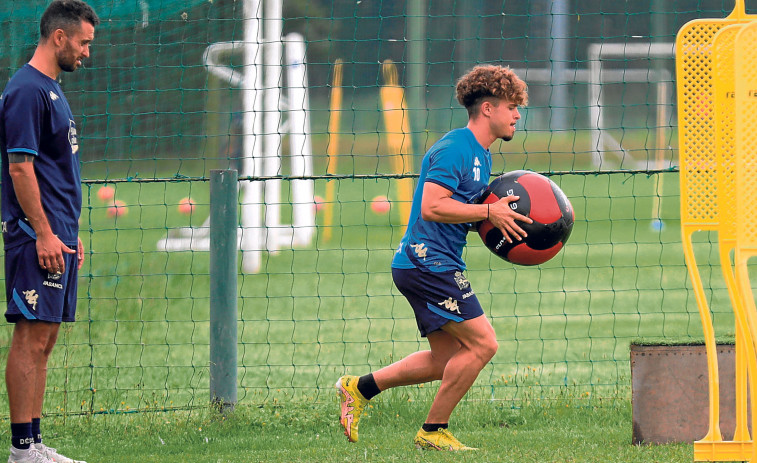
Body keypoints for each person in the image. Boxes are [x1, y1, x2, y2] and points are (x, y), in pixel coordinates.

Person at [336, 65, 530, 451]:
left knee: (447, 358)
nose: (518, 115)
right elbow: (431, 206)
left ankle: (359, 388)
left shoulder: (481, 155)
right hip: (428, 263)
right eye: (512, 106)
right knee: (483, 345)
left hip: (434, 263)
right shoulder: (455, 148)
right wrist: (489, 213)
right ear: (488, 108)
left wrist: (496, 222)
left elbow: (461, 211)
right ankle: (432, 430)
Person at [0, 1, 99, 462]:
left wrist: (67, 230)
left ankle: (35, 446)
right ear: (58, 37)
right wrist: (41, 232)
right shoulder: (27, 90)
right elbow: (20, 169)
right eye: (83, 43)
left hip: (57, 234)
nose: (86, 52)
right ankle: (22, 451)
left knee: (47, 337)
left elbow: (56, 172)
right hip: (33, 235)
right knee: (31, 336)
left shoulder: (52, 90)